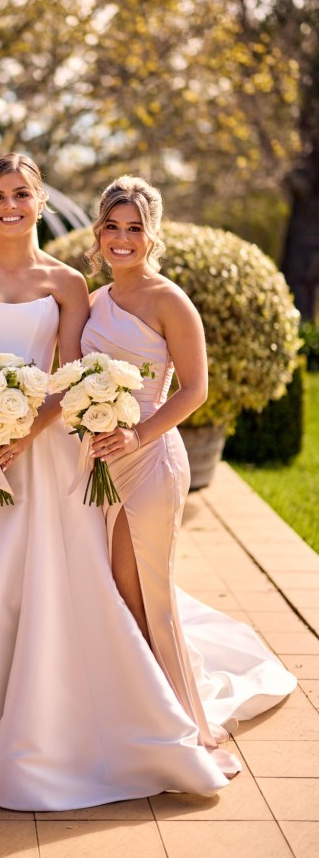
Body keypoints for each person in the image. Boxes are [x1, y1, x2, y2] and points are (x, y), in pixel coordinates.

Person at [0, 153, 234, 812]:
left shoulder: (69, 284)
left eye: (22, 193)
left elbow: (67, 377)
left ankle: (90, 725)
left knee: (73, 585)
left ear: (39, 200)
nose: (11, 205)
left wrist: (22, 433)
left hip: (51, 451)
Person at [81, 174, 296, 757]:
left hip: (150, 457)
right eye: (112, 227)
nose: (122, 238)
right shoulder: (95, 301)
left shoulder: (169, 300)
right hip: (100, 461)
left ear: (151, 235)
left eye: (134, 228)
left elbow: (195, 390)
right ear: (99, 233)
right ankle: (139, 705)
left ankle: (183, 720)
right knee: (116, 586)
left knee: (147, 588)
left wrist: (137, 434)